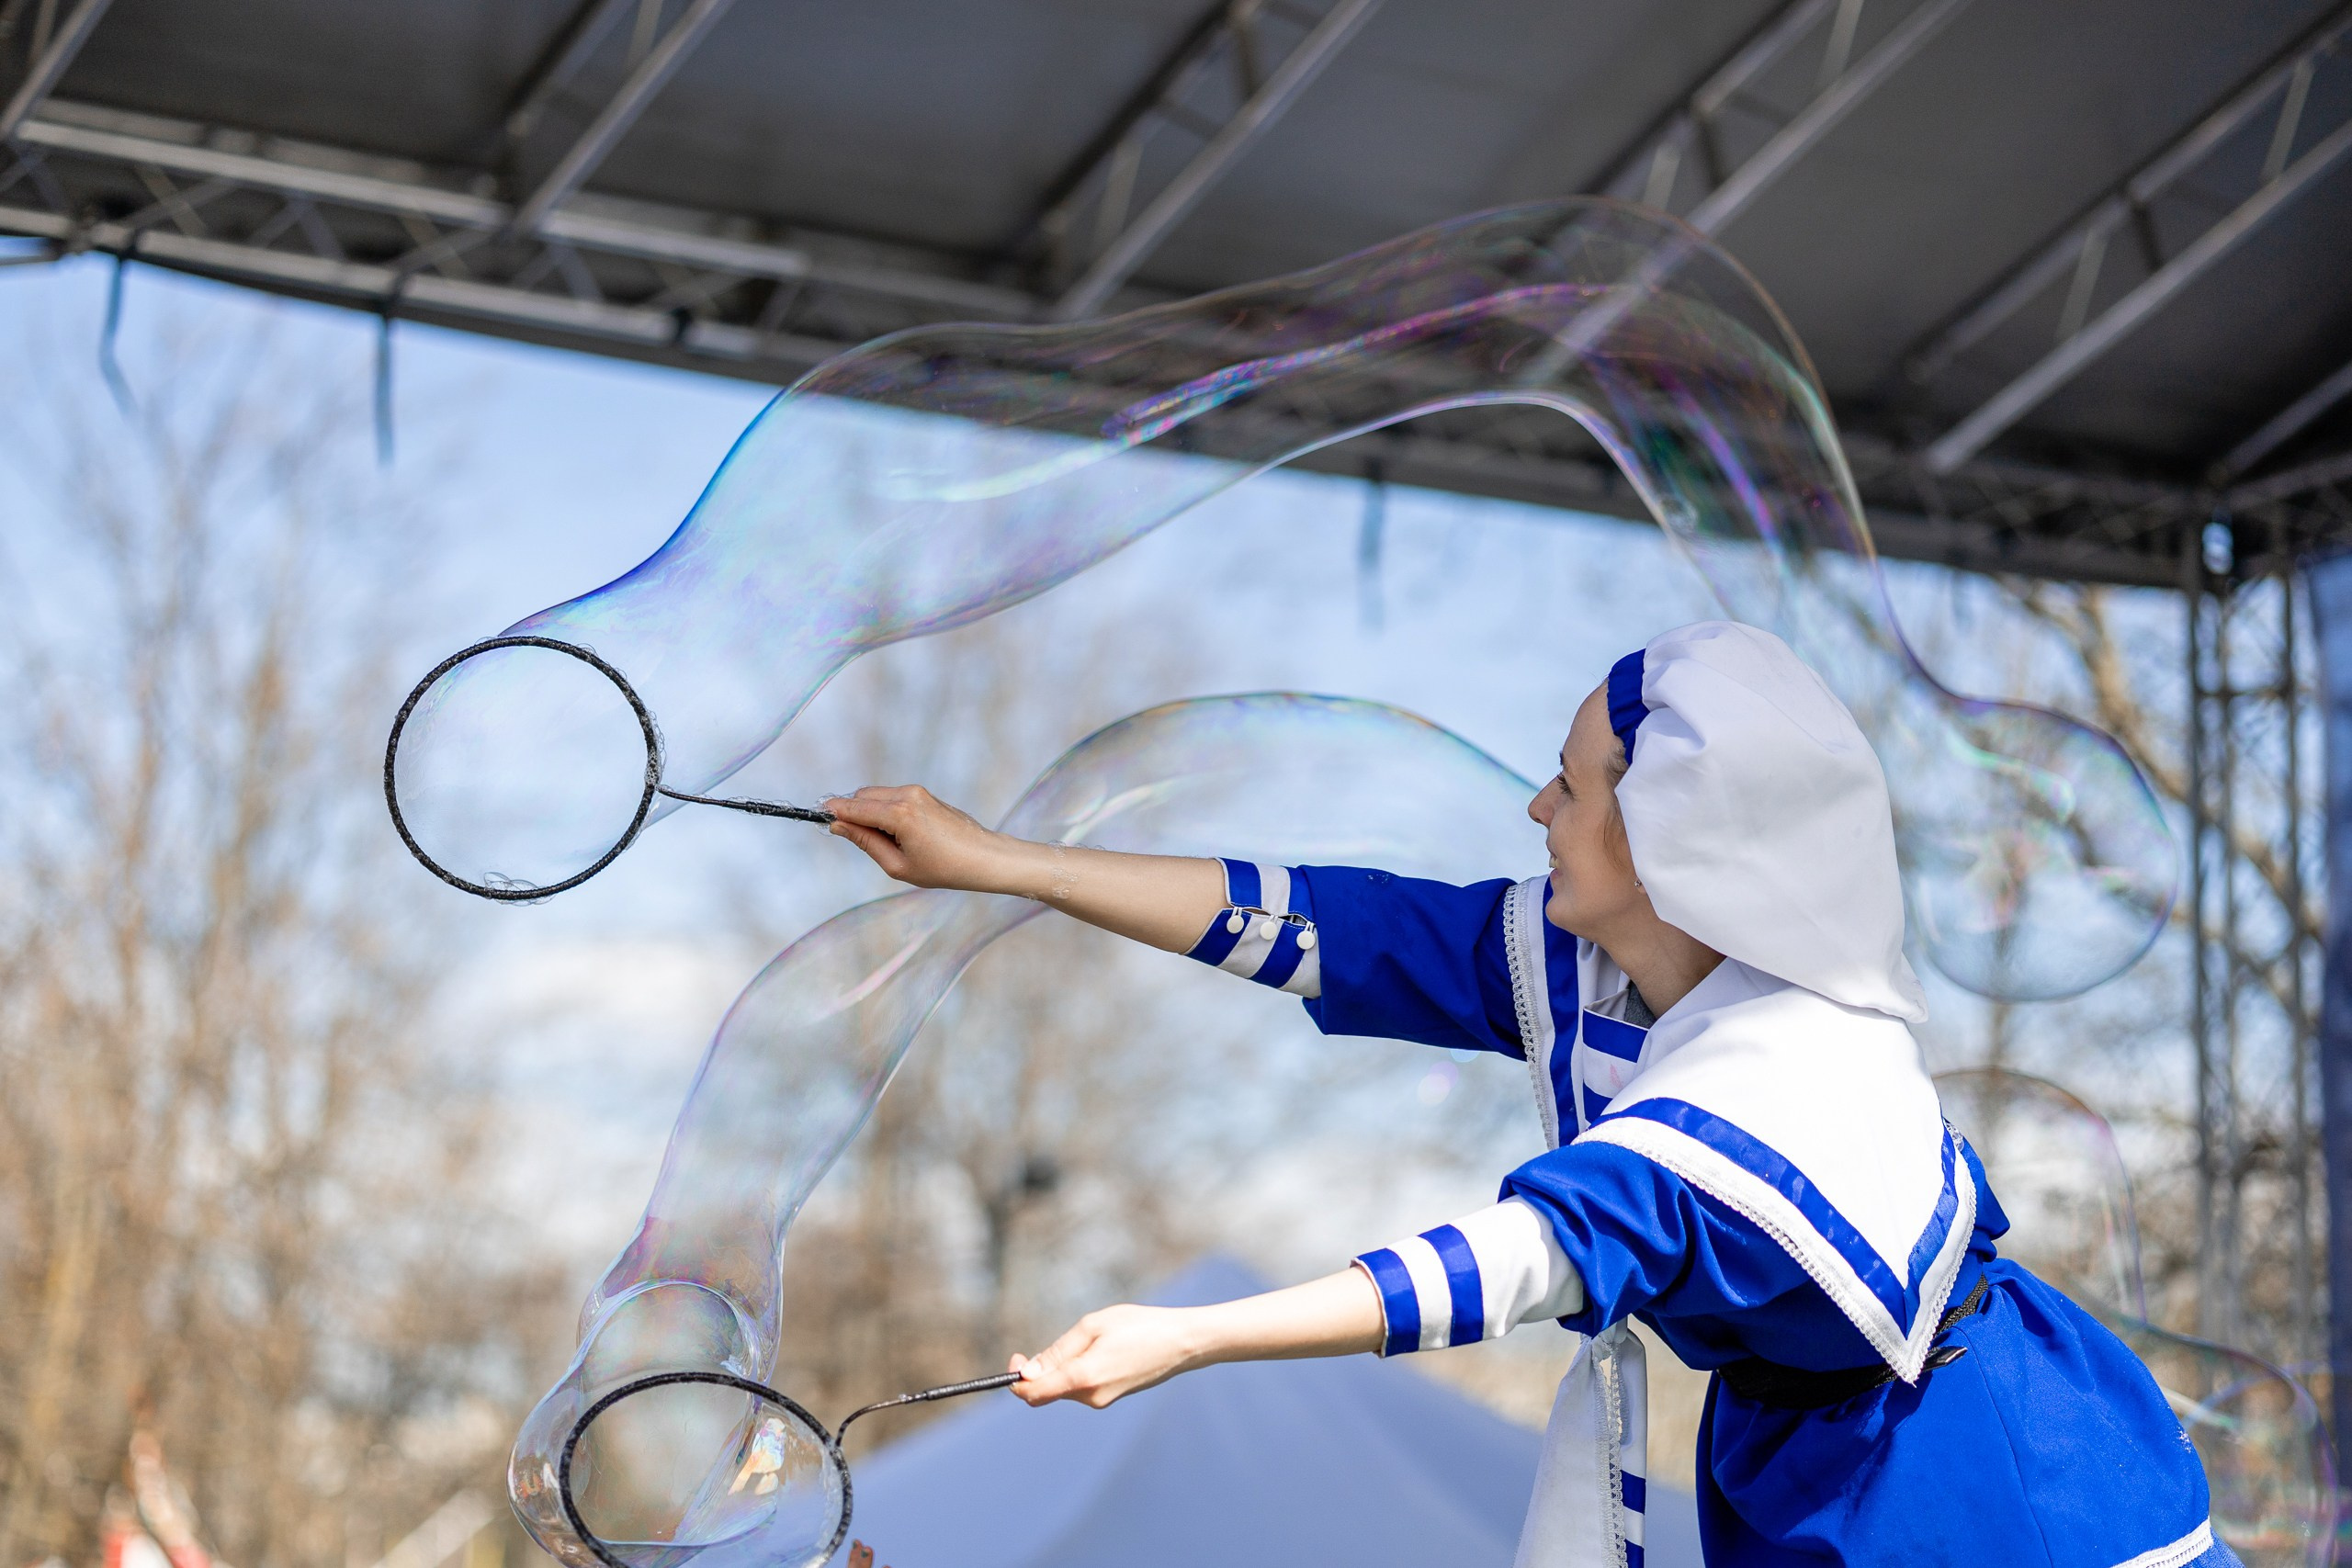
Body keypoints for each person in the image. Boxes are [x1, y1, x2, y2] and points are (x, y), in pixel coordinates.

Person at [822, 620, 2230, 1568]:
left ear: (1676, 838)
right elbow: (1337, 926)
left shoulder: (1798, 1081)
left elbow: (1515, 1262)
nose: (1538, 813)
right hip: (1819, 1461)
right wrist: (1000, 862)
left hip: (1992, 1489)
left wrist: (1185, 1338)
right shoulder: (1616, 970)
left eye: (1568, 786)